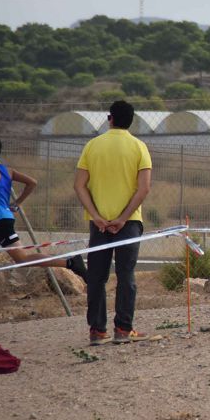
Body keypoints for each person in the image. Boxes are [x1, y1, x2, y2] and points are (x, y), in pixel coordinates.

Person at [73, 101, 153, 346]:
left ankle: (97, 331)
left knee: (97, 277)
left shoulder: (92, 146)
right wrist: (123, 217)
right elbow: (144, 188)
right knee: (126, 275)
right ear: (131, 121)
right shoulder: (139, 147)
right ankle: (123, 328)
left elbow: (79, 185)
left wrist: (96, 215)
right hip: (129, 223)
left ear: (110, 118)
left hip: (98, 225)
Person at [0, 137, 87, 278]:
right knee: (20, 259)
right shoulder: (8, 171)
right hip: (4, 218)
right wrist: (17, 202)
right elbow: (32, 182)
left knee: (22, 259)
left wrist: (18, 202)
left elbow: (32, 182)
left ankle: (70, 263)